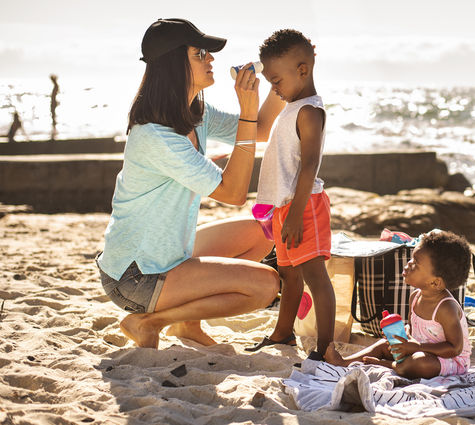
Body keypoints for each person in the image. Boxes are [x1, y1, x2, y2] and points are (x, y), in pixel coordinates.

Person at [95, 18, 286, 349]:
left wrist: (279, 75)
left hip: (169, 255)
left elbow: (261, 130)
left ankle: (187, 324)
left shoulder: (196, 113)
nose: (211, 59)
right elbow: (233, 192)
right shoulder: (155, 134)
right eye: (200, 53)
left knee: (262, 231)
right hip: (135, 276)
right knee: (266, 286)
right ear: (173, 64)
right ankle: (150, 321)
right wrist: (246, 111)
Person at [245, 29, 334, 360]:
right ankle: (283, 335)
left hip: (304, 206)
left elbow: (309, 165)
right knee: (289, 274)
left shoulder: (310, 111)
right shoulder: (292, 105)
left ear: (302, 70)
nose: (274, 88)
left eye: (277, 80)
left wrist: (296, 214)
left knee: (315, 277)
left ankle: (326, 349)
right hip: (287, 207)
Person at [324, 231, 473, 379]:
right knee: (383, 345)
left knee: (421, 362)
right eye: (411, 259)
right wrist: (402, 334)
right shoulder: (415, 296)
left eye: (416, 263)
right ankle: (344, 362)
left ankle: (391, 366)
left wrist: (417, 347)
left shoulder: (446, 308)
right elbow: (413, 330)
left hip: (448, 361)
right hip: (419, 349)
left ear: (435, 282)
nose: (408, 264)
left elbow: (455, 348)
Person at [49, 74, 59, 140]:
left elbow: (54, 96)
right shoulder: (56, 86)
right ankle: (54, 129)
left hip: (53, 102)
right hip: (53, 102)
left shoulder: (56, 86)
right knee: (53, 115)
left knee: (53, 115)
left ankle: (54, 130)